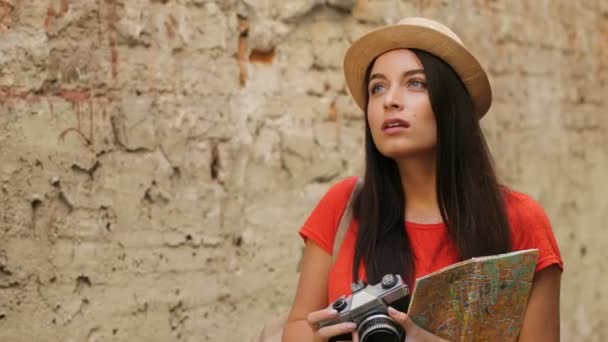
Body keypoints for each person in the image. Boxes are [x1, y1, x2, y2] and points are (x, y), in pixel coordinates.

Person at [281, 17, 563, 342]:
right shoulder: (343, 205)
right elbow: (298, 323)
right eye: (378, 87)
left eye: (415, 83)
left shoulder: (521, 220)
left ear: (451, 103)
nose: (390, 100)